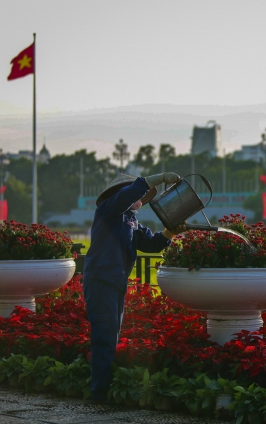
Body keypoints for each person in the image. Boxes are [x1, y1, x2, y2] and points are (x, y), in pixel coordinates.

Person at [83, 172, 184, 402]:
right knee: (104, 337)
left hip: (115, 281)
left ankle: (102, 388)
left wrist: (170, 231)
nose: (141, 199)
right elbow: (128, 195)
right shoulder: (109, 209)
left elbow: (151, 243)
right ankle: (98, 394)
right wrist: (160, 177)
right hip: (101, 280)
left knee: (110, 336)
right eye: (139, 194)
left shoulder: (130, 219)